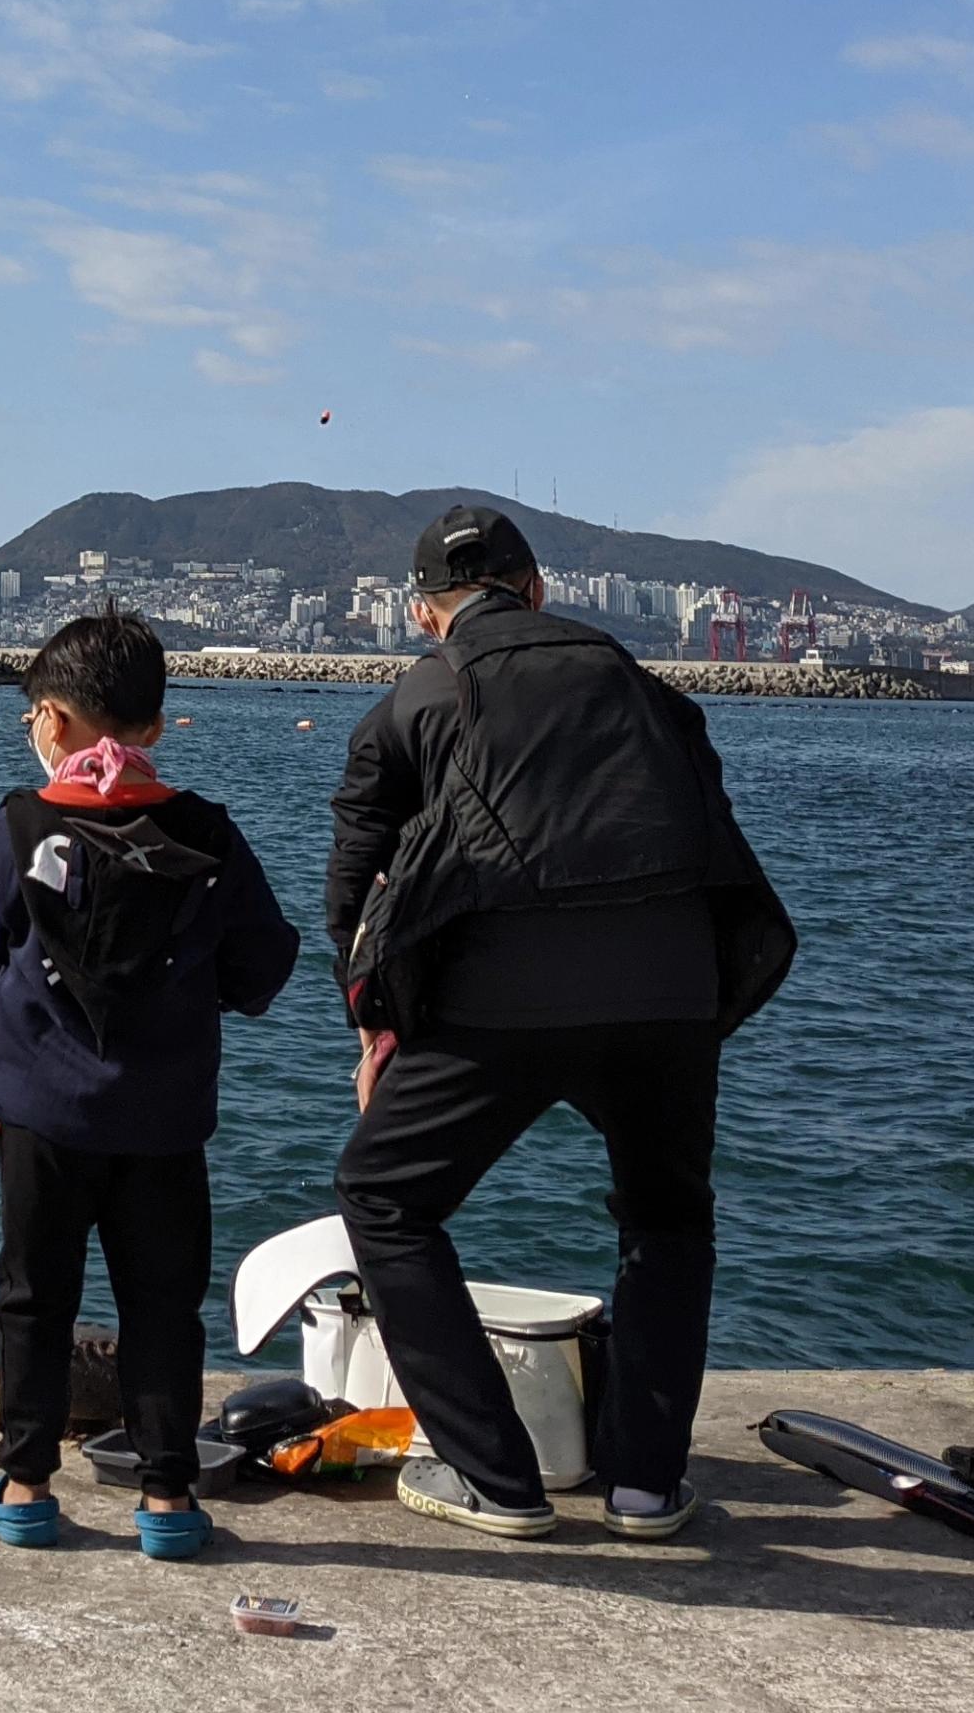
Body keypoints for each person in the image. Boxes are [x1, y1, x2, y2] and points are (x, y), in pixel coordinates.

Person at [326, 506, 795, 1542]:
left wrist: (376, 1025)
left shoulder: (422, 693)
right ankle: (644, 1486)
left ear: (424, 616)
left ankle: (496, 1476)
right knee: (667, 1219)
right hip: (671, 993)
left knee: (385, 1196)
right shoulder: (646, 689)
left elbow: (359, 871)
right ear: (537, 592)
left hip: (499, 998)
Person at [0, 608, 300, 1560]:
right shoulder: (207, 835)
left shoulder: (21, 825)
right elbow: (262, 970)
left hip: (39, 1112)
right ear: (154, 728)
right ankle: (167, 1499)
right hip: (164, 1120)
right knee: (162, 1303)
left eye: (36, 712)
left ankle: (26, 1483)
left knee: (34, 1295)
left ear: (58, 724)